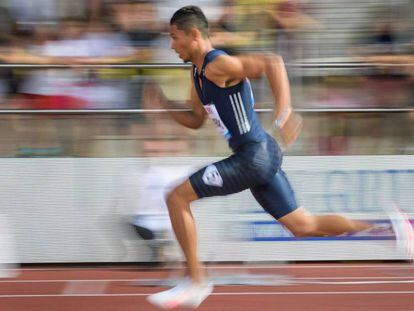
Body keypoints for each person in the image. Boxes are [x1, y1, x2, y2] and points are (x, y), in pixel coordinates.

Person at [147, 5, 413, 310]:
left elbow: (272, 62)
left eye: (174, 36)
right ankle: (388, 227)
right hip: (259, 155)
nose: (170, 44)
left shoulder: (216, 64)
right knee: (303, 225)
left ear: (194, 34)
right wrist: (165, 104)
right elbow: (195, 120)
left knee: (176, 198)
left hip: (253, 156)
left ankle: (196, 281)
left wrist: (284, 110)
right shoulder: (197, 74)